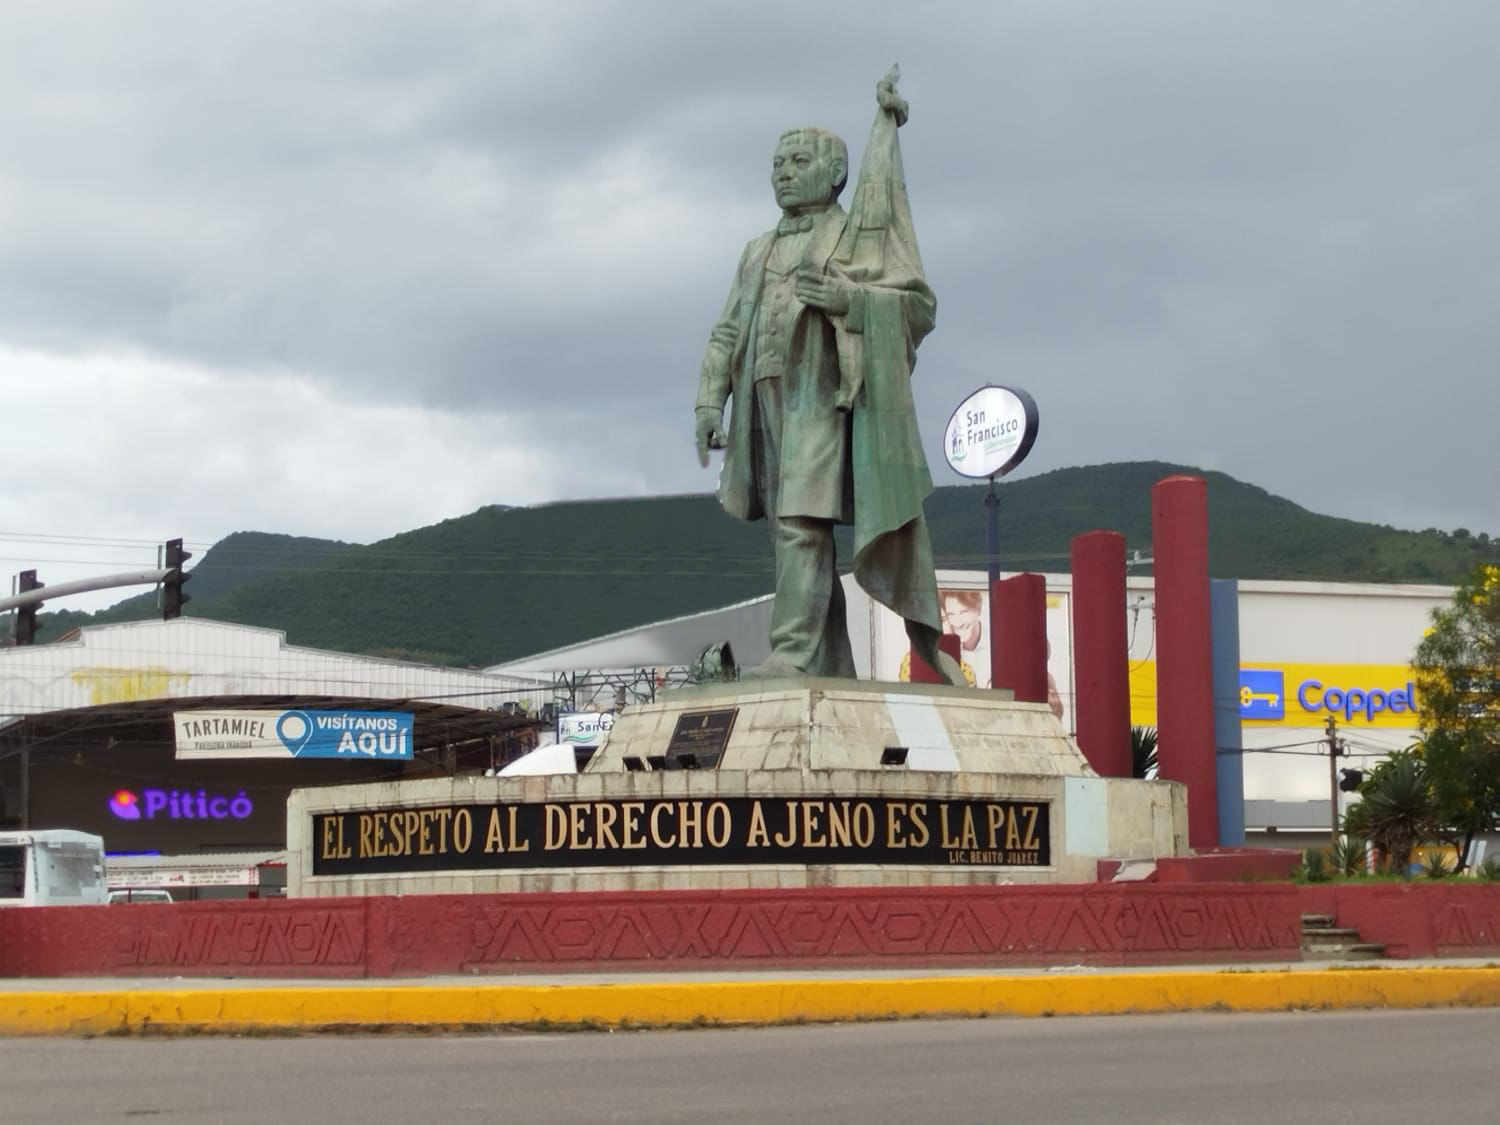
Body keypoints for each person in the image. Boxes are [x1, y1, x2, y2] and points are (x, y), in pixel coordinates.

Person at [695, 69, 961, 685]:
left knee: (799, 524)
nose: (782, 171)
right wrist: (711, 400)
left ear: (836, 172)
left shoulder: (857, 233)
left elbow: (917, 304)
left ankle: (792, 651)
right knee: (791, 531)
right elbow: (727, 330)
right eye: (777, 161)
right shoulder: (756, 250)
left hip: (827, 398)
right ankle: (830, 661)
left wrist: (847, 299)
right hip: (763, 403)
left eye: (798, 159)